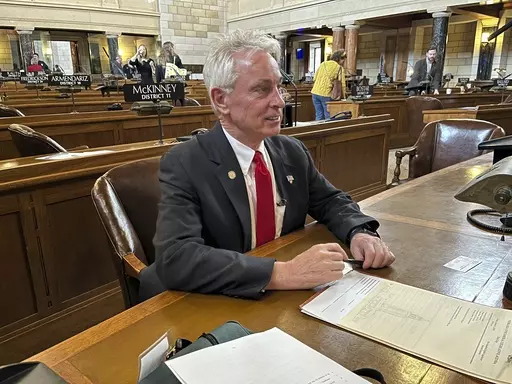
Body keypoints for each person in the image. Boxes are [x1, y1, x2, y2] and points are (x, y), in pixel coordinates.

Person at [141, 30, 395, 301]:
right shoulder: (185, 162)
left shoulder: (291, 150)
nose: (280, 101)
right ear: (220, 100)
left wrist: (360, 232)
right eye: (262, 89)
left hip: (280, 300)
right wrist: (283, 273)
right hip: (213, 302)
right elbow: (176, 258)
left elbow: (331, 201)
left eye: (278, 86)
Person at [311, 49, 347, 120]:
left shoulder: (323, 64)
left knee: (319, 115)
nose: (343, 62)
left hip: (315, 93)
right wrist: (344, 97)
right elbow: (342, 84)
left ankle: (318, 129)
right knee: (329, 116)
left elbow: (314, 78)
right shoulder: (339, 68)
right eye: (343, 60)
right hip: (326, 94)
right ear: (339, 58)